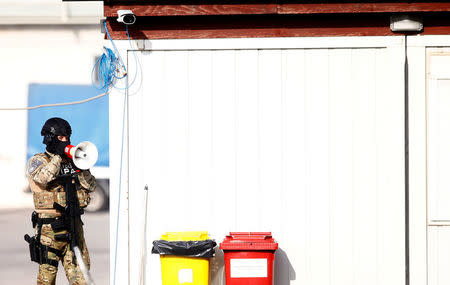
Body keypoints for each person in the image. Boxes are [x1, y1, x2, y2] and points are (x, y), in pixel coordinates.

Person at [25, 117, 96, 285]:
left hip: (74, 226)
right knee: (47, 279)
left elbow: (91, 186)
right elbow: (43, 178)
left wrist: (82, 167)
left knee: (81, 278)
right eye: (61, 138)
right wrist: (58, 156)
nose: (66, 141)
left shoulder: (74, 162)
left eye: (67, 137)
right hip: (50, 229)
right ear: (50, 138)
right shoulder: (38, 160)